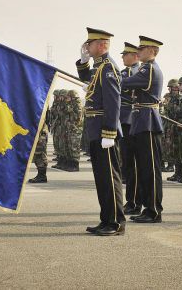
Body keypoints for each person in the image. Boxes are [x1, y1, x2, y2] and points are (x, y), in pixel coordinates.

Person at [76, 27, 126, 236]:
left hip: (105, 132)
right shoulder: (98, 67)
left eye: (91, 44)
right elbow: (86, 77)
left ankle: (115, 223)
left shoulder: (108, 68)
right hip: (96, 129)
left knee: (109, 177)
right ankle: (106, 219)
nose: (87, 47)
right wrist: (83, 61)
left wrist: (109, 133)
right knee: (101, 178)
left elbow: (113, 103)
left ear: (102, 45)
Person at [121, 36, 164, 223]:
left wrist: (107, 79)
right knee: (143, 168)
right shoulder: (147, 68)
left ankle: (154, 210)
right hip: (141, 120)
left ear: (152, 51)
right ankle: (147, 207)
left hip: (147, 121)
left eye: (143, 48)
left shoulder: (150, 69)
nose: (138, 52)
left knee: (150, 169)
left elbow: (127, 83)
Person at [119, 42, 143, 214]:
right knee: (129, 165)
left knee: (131, 165)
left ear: (135, 56)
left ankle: (133, 201)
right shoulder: (135, 72)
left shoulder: (129, 73)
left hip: (128, 121)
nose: (122, 57)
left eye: (125, 54)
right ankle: (133, 201)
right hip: (128, 120)